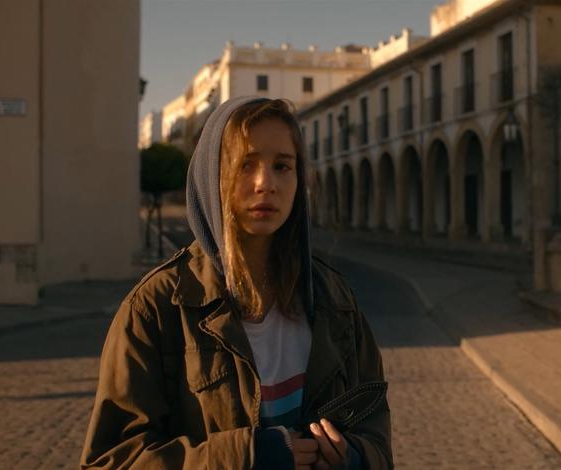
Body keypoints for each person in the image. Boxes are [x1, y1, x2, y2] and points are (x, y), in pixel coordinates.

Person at [80, 97, 392, 469]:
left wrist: (354, 458)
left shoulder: (335, 300)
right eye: (245, 165)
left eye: (282, 166)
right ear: (212, 176)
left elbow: (374, 429)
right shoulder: (157, 307)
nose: (266, 184)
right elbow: (110, 459)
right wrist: (247, 457)